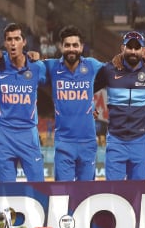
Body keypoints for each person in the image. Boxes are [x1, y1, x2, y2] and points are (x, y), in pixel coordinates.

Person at [0, 22, 47, 182]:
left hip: (28, 134)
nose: (12, 43)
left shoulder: (37, 67)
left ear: (24, 42)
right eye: (9, 39)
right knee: (6, 191)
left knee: (39, 187)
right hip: (4, 134)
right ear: (5, 43)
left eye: (17, 38)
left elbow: (60, 83)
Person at [94, 31, 145, 181]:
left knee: (138, 193)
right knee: (114, 193)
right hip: (116, 141)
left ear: (143, 50)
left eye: (137, 48)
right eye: (129, 47)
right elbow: (85, 87)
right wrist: (89, 106)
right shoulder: (109, 70)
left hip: (141, 141)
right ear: (122, 48)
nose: (133, 51)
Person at [42, 25, 103, 181]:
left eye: (75, 45)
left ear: (81, 47)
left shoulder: (92, 65)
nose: (71, 49)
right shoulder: (52, 66)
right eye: (67, 45)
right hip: (64, 143)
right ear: (61, 47)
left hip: (88, 142)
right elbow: (26, 65)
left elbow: (115, 71)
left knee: (86, 195)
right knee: (63, 194)